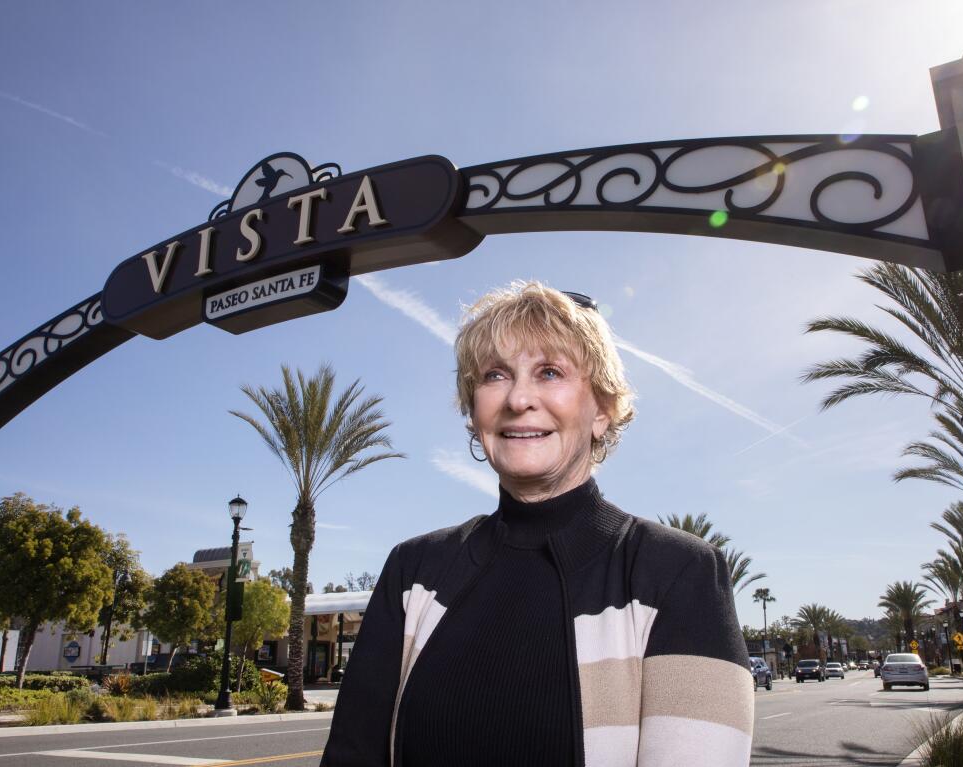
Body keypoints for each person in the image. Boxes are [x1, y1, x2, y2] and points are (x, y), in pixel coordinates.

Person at [321, 282, 753, 766]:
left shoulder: (680, 573)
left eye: (549, 372)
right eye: (495, 375)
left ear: (603, 411)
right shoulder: (413, 571)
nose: (518, 398)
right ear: (473, 410)